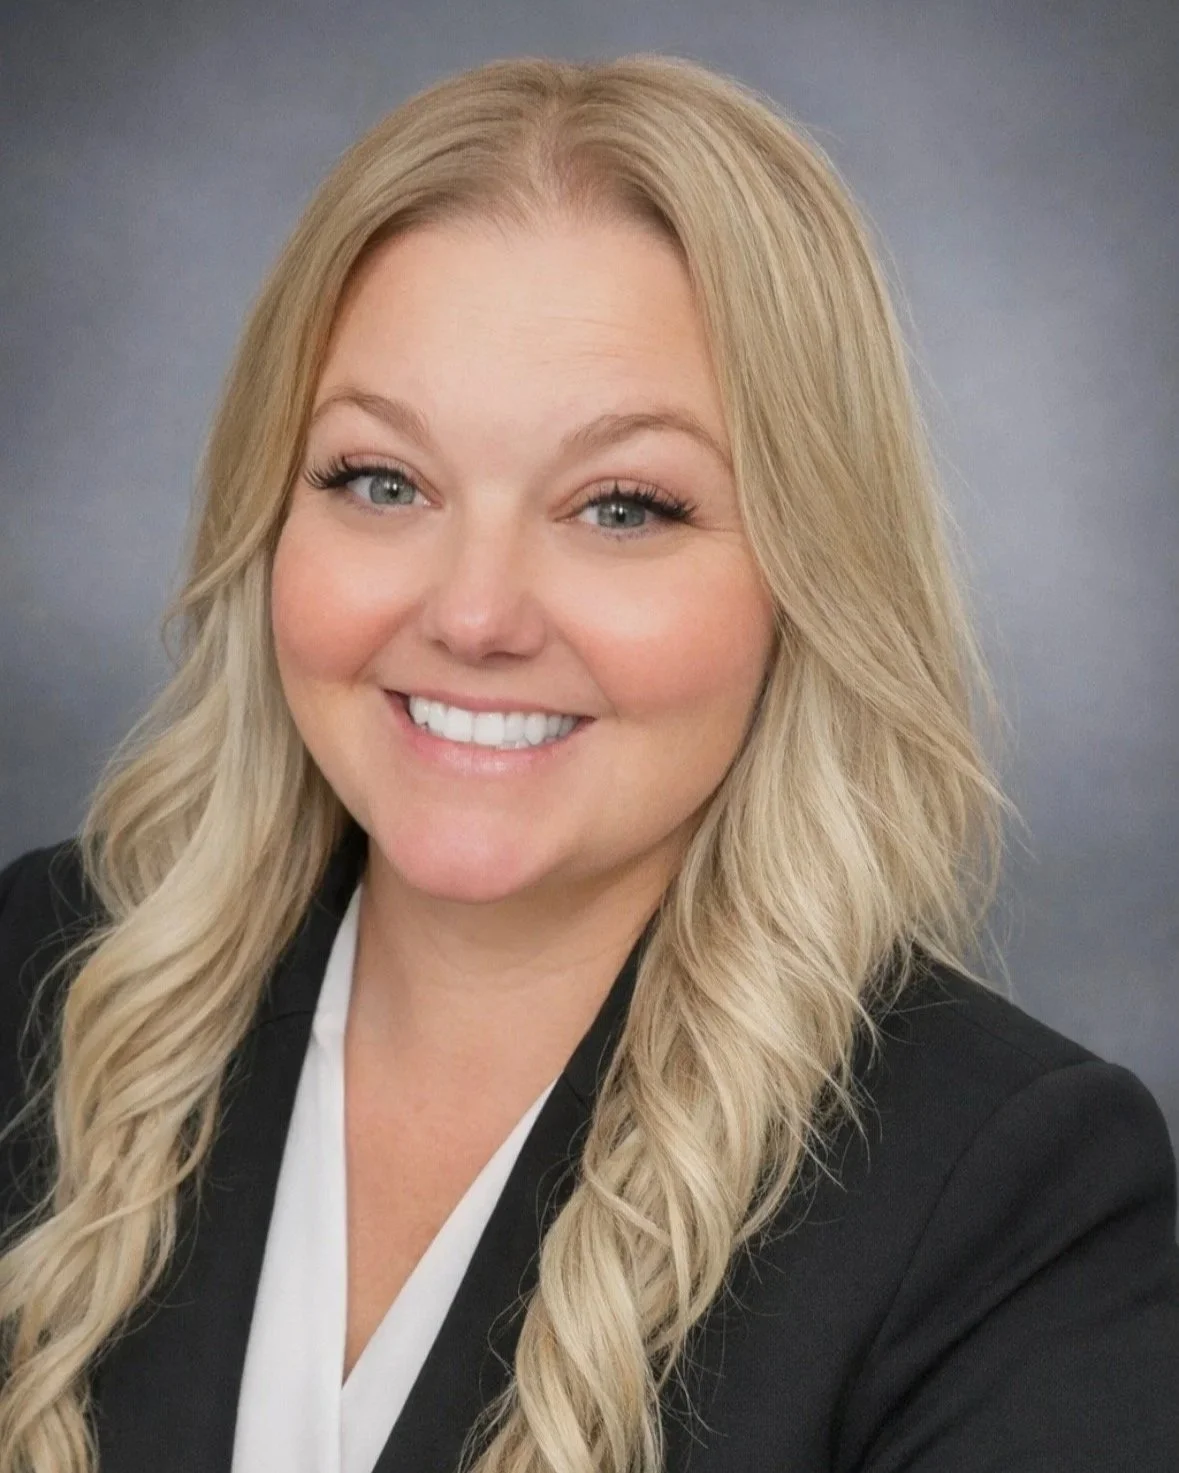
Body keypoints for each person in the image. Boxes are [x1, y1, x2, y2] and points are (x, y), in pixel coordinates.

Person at [1, 51, 1176, 1473]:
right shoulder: (40, 978)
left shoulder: (1005, 1192)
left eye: (621, 506)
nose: (474, 614)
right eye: (382, 482)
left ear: (809, 579)